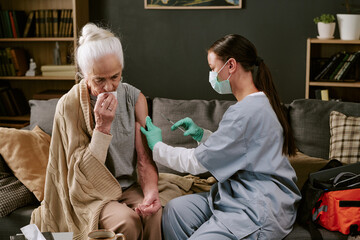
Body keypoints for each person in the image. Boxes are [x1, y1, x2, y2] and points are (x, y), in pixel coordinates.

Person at [141, 34, 301, 240]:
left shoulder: (246, 112)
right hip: (237, 195)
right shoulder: (259, 103)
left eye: (212, 68)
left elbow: (197, 162)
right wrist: (202, 135)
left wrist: (157, 147)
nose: (211, 75)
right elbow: (238, 149)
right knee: (175, 210)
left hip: (257, 208)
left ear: (231, 65)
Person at [31, 23, 162, 240]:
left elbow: (144, 160)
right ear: (83, 74)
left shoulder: (134, 99)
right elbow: (82, 177)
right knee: (127, 222)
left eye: (115, 76)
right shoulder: (68, 106)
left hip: (129, 187)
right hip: (89, 195)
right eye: (99, 80)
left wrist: (151, 194)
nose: (110, 87)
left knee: (155, 215)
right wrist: (102, 128)